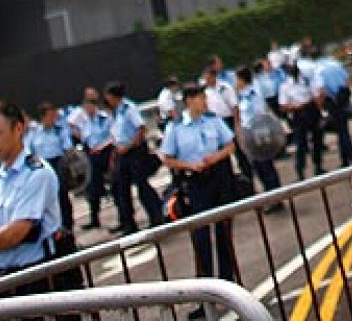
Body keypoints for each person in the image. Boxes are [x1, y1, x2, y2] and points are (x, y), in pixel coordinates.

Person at [0, 101, 74, 299]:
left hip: (39, 278)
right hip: (6, 280)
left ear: (18, 129)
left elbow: (14, 234)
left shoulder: (37, 173)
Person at [157, 84, 238, 291]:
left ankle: (229, 284)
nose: (205, 102)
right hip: (195, 182)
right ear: (189, 101)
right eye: (202, 98)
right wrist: (189, 165)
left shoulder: (213, 120)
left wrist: (215, 157)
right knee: (201, 236)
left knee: (224, 232)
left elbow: (230, 145)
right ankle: (206, 289)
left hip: (218, 178)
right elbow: (167, 158)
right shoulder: (176, 127)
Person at [102, 83, 165, 234]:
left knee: (142, 185)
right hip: (121, 153)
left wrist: (130, 145)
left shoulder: (129, 109)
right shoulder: (115, 112)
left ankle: (156, 216)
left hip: (134, 152)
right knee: (121, 188)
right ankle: (128, 223)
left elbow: (141, 129)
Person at [233, 68, 284, 200]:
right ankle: (271, 196)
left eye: (237, 79)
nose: (235, 82)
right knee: (259, 168)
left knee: (265, 167)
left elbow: (259, 116)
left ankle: (275, 197)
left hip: (258, 136)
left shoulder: (253, 95)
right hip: (250, 136)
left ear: (242, 80)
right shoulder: (241, 96)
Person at [23, 102, 73, 232]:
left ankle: (68, 225)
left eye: (54, 115)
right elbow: (28, 151)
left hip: (58, 163)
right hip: (42, 165)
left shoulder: (59, 130)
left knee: (62, 196)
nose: (53, 119)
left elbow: (68, 148)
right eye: (50, 116)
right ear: (43, 117)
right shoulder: (35, 132)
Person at [68, 97, 113, 231]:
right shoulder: (86, 123)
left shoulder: (104, 118)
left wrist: (102, 147)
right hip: (92, 155)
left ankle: (125, 218)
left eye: (89, 107)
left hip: (106, 152)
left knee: (116, 186)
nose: (87, 110)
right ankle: (94, 219)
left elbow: (113, 135)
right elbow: (83, 137)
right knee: (92, 188)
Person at [310, 53, 352, 168]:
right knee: (343, 130)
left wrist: (321, 108)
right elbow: (347, 81)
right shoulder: (335, 64)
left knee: (342, 133)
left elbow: (321, 90)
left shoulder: (318, 69)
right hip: (342, 98)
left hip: (332, 102)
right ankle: (348, 158)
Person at [279, 64, 322, 179]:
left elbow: (316, 95)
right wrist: (294, 106)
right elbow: (282, 106)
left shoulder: (306, 80)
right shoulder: (285, 86)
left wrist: (320, 110)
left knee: (317, 139)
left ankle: (318, 165)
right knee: (300, 144)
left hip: (311, 109)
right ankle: (300, 171)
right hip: (298, 113)